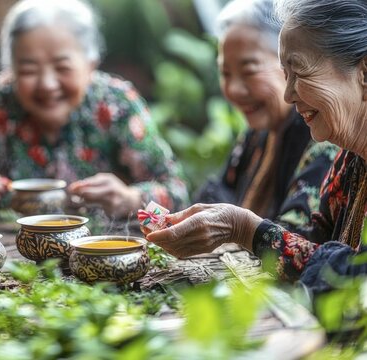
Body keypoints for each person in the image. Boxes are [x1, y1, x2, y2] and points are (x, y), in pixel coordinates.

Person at [0, 0, 189, 221]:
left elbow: (177, 197)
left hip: (102, 264)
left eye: (62, 67)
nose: (46, 84)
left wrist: (130, 199)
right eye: (28, 69)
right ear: (9, 70)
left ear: (91, 64)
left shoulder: (116, 104)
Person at [147, 0, 367, 294]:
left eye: (299, 73)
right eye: (285, 74)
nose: (289, 95)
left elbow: (354, 278)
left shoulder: (323, 146)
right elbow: (313, 245)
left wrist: (245, 228)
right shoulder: (349, 160)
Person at [194, 0, 337, 238]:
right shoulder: (255, 136)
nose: (234, 89)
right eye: (225, 73)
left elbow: (297, 237)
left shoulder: (322, 135)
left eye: (249, 71)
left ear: (289, 62)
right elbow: (216, 195)